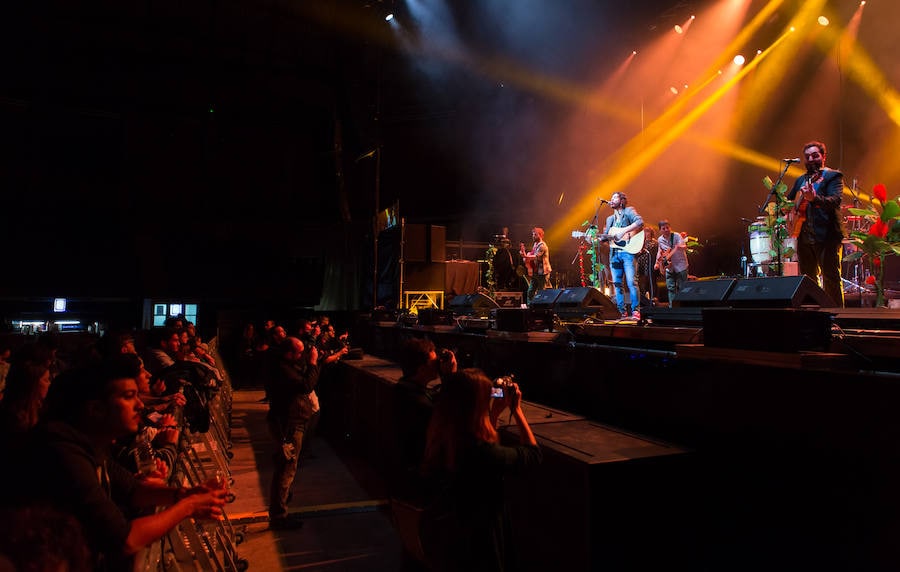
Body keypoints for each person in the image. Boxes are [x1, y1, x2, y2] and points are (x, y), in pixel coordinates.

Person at [20, 361, 227, 571]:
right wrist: (189, 505)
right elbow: (124, 540)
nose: (140, 405)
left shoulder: (89, 444)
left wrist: (184, 493)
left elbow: (133, 490)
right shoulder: (61, 452)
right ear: (96, 409)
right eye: (128, 397)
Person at [422, 368, 541, 572]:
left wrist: (493, 415)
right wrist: (517, 410)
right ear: (477, 406)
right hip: (481, 543)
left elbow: (482, 442)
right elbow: (532, 455)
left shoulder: (443, 439)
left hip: (451, 541)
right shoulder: (481, 454)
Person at [267, 336, 319, 529]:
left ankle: (281, 500)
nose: (301, 356)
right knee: (286, 469)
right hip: (288, 425)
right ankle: (279, 515)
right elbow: (306, 385)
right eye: (299, 352)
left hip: (291, 422)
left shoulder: (287, 365)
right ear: (289, 353)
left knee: (286, 467)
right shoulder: (282, 370)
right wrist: (313, 363)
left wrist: (311, 363)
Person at [786, 140, 845, 307]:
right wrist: (787, 211)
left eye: (815, 155)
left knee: (831, 278)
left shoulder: (832, 176)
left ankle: (837, 317)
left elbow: (835, 200)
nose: (811, 159)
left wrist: (815, 199)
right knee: (808, 280)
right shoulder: (800, 181)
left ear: (823, 157)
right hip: (804, 237)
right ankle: (815, 317)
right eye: (807, 156)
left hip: (826, 236)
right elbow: (790, 202)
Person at [603, 192, 644, 319]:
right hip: (614, 254)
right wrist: (595, 238)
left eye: (614, 197)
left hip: (628, 252)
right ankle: (622, 311)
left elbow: (640, 221)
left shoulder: (629, 211)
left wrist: (623, 232)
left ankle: (636, 311)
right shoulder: (610, 219)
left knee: (632, 282)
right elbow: (605, 237)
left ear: (621, 200)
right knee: (617, 283)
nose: (611, 199)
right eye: (611, 197)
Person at [653, 220, 689, 306]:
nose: (666, 230)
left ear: (670, 228)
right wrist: (657, 262)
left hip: (680, 265)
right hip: (669, 267)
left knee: (682, 287)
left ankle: (684, 307)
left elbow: (684, 246)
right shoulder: (660, 239)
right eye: (663, 228)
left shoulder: (676, 236)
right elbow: (660, 251)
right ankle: (672, 308)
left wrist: (679, 246)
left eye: (667, 228)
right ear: (660, 230)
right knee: (670, 287)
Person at [522, 227, 551, 301]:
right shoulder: (535, 244)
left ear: (540, 235)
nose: (533, 236)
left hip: (543, 272)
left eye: (535, 234)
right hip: (536, 271)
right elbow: (531, 254)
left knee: (541, 292)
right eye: (533, 234)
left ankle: (541, 308)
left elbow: (536, 256)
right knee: (530, 292)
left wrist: (526, 256)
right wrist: (525, 254)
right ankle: (530, 308)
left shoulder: (542, 246)